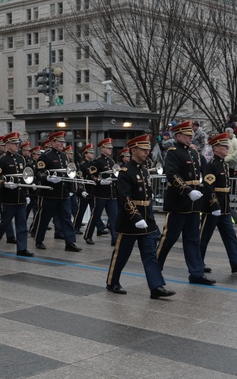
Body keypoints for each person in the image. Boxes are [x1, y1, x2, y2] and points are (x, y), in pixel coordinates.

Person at [105, 134, 174, 299]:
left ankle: (156, 286)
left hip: (146, 220)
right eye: (143, 149)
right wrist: (136, 218)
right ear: (133, 150)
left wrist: (148, 217)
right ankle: (112, 282)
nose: (147, 152)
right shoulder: (125, 172)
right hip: (130, 220)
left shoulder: (144, 170)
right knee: (122, 254)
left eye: (147, 149)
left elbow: (147, 196)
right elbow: (125, 198)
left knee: (150, 254)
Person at [156, 121, 213, 285]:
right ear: (179, 136)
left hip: (193, 205)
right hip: (178, 202)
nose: (190, 138)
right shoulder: (173, 153)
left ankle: (196, 273)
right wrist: (187, 191)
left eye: (191, 135)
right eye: (187, 135)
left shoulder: (194, 153)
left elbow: (202, 173)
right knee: (169, 238)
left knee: (193, 239)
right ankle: (155, 268)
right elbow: (172, 174)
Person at [199, 133, 237, 275]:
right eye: (224, 146)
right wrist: (214, 205)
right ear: (216, 148)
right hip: (212, 208)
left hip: (224, 208)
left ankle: (236, 262)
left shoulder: (224, 163)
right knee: (204, 237)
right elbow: (208, 187)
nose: (227, 148)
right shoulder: (211, 165)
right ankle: (198, 263)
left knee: (230, 236)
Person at [33, 131, 82, 252]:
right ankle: (39, 240)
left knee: (66, 219)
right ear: (53, 142)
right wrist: (48, 178)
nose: (62, 144)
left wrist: (70, 189)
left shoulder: (64, 156)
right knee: (44, 218)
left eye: (63, 142)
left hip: (63, 193)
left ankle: (70, 242)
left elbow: (68, 173)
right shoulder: (45, 156)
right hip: (49, 194)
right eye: (59, 141)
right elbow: (38, 172)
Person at [0, 133, 34, 257]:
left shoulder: (21, 159)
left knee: (22, 225)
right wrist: (4, 183)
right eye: (14, 144)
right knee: (4, 222)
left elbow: (24, 178)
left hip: (20, 196)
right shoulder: (2, 160)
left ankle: (22, 248)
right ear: (7, 145)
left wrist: (27, 193)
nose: (17, 145)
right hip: (8, 197)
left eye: (17, 143)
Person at [83, 137, 118, 246]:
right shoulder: (97, 161)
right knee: (95, 216)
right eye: (108, 148)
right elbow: (91, 175)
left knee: (114, 217)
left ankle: (115, 239)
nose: (110, 149)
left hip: (111, 194)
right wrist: (100, 181)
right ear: (102, 149)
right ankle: (88, 235)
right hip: (100, 194)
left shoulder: (112, 162)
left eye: (111, 148)